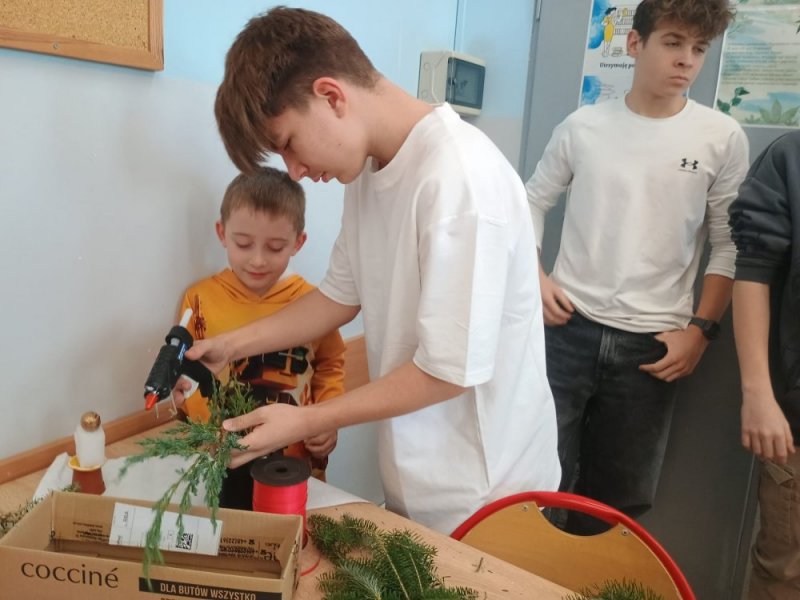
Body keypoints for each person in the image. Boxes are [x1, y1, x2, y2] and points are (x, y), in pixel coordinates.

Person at [181, 6, 560, 535]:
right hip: (417, 484)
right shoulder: (367, 172)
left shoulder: (460, 181)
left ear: (331, 96)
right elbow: (338, 296)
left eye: (288, 144)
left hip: (489, 497)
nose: (295, 171)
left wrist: (306, 420)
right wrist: (231, 345)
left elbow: (446, 372)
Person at [525, 0, 748, 533]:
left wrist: (701, 331)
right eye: (673, 42)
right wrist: (535, 278)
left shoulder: (721, 138)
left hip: (653, 346)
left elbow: (729, 245)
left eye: (698, 48)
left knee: (617, 501)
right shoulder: (583, 126)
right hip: (566, 330)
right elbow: (529, 202)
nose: (686, 60)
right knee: (535, 478)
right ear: (635, 43)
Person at [177, 166, 346, 509]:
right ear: (222, 233)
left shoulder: (315, 306)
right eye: (243, 244)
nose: (257, 260)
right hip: (219, 462)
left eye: (275, 247)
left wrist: (327, 419)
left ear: (298, 243)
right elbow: (187, 376)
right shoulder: (199, 301)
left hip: (293, 466)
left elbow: (331, 364)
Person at [729, 131, 800, 599]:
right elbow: (753, 271)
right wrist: (757, 394)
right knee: (785, 571)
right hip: (794, 424)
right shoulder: (789, 157)